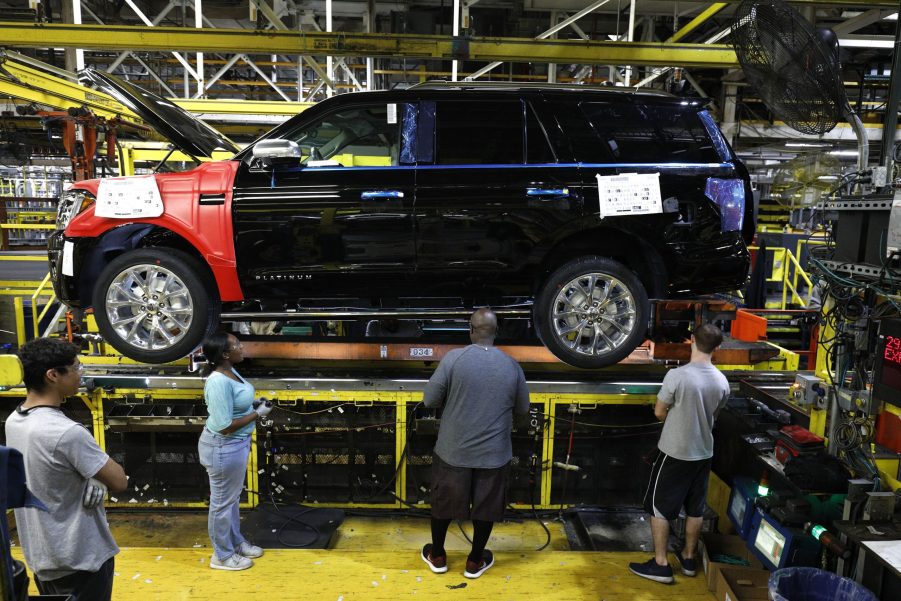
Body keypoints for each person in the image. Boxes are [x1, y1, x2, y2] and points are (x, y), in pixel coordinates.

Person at [5, 337, 128, 600]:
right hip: (80, 558)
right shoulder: (67, 432)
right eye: (76, 368)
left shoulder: (15, 420)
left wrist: (92, 477)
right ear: (53, 375)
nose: (81, 374)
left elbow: (50, 470)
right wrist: (100, 477)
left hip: (43, 556)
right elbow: (119, 481)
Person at [420, 308, 530, 579]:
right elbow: (523, 411)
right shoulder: (512, 365)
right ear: (496, 332)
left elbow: (430, 401)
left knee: (444, 504)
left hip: (452, 452)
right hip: (494, 455)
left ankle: (438, 556)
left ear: (471, 329)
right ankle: (474, 561)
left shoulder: (454, 359)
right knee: (486, 506)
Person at [629, 323, 730, 584]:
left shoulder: (677, 376)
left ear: (692, 340)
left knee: (659, 507)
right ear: (717, 348)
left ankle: (661, 564)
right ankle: (688, 558)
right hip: (703, 453)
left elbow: (659, 412)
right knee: (695, 509)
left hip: (675, 453)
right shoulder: (722, 382)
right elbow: (714, 417)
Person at [199, 332, 272, 571]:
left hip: (234, 447)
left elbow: (234, 405)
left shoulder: (231, 371)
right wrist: (257, 414)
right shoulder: (218, 381)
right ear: (225, 354)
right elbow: (224, 426)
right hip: (223, 448)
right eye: (237, 345)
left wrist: (251, 404)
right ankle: (221, 555)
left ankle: (235, 542)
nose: (242, 347)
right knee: (221, 504)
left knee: (230, 501)